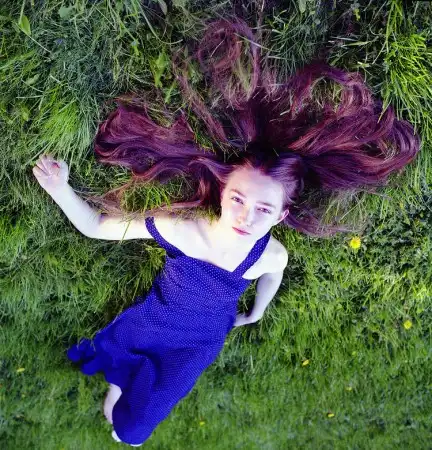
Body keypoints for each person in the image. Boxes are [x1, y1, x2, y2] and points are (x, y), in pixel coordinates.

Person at [31, 17, 420, 447]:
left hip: (196, 346)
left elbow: (273, 275)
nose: (246, 217)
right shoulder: (182, 231)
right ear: (222, 191)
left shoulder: (268, 256)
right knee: (123, 391)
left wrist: (257, 312)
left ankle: (124, 400)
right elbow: (96, 228)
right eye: (238, 198)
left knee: (133, 433)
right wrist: (60, 189)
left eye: (263, 209)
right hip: (150, 325)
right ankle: (119, 382)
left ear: (280, 216)